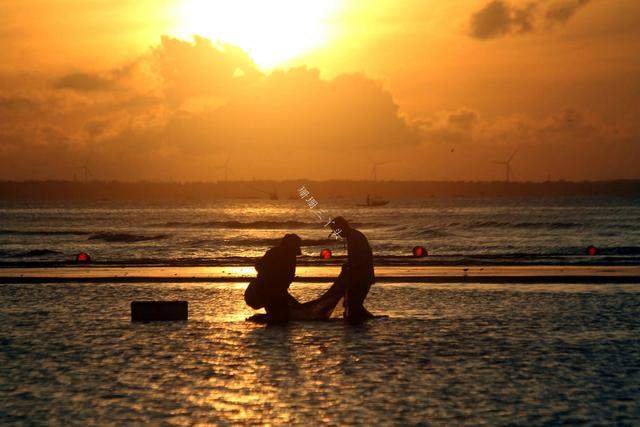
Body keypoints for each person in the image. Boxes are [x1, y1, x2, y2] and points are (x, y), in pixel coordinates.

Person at [244, 233, 303, 324]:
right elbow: (260, 267)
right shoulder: (285, 255)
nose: (298, 247)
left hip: (269, 290)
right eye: (297, 244)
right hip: (263, 292)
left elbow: (258, 265)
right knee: (280, 317)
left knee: (281, 315)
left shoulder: (277, 253)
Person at [330, 216, 376, 323]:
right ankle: (363, 322)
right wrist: (348, 265)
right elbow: (357, 259)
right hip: (361, 276)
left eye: (336, 230)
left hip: (362, 277)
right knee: (353, 304)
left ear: (342, 227)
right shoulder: (353, 236)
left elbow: (360, 259)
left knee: (353, 304)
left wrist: (349, 266)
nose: (336, 233)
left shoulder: (354, 237)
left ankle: (359, 324)